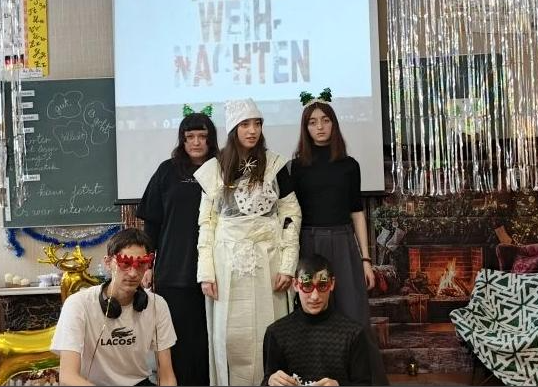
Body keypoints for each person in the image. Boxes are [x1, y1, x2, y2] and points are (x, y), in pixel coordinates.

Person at [194, 98, 301, 385]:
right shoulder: (215, 169)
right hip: (226, 262)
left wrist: (288, 265)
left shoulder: (275, 165)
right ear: (233, 129)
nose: (252, 130)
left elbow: (291, 215)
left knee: (270, 330)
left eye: (257, 124)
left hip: (269, 260)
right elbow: (207, 223)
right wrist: (206, 272)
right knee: (230, 336)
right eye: (245, 124)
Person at [289, 94, 388, 384]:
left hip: (343, 242)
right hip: (308, 244)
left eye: (325, 120)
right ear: (305, 128)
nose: (320, 127)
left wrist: (366, 259)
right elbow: (291, 214)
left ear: (334, 124)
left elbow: (357, 213)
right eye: (312, 122)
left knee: (356, 316)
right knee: (313, 316)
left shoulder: (349, 165)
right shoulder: (296, 167)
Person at [136, 109, 219, 385]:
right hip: (174, 271)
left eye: (202, 136)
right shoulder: (167, 171)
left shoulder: (223, 169)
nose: (196, 142)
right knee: (176, 342)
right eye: (190, 136)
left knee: (209, 342)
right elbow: (152, 223)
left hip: (215, 273)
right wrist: (147, 265)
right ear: (182, 140)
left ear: (211, 139)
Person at [51, 228, 177, 386]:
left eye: (141, 264)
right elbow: (68, 376)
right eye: (125, 263)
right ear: (108, 262)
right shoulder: (78, 304)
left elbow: (167, 376)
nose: (133, 273)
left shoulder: (157, 305)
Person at [262, 254, 371, 386]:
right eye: (307, 286)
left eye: (322, 286)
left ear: (332, 284)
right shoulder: (276, 333)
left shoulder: (353, 333)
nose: (315, 296)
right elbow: (268, 380)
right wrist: (270, 382)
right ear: (295, 285)